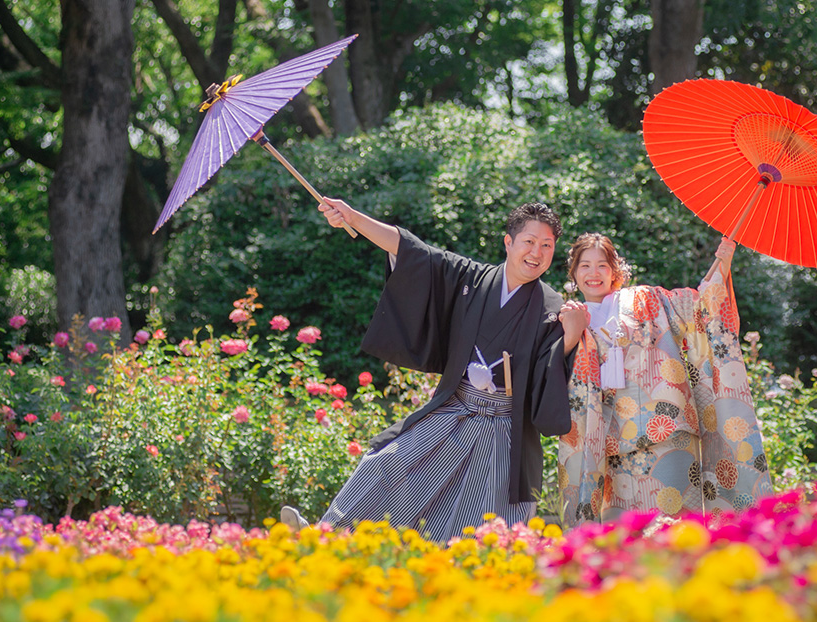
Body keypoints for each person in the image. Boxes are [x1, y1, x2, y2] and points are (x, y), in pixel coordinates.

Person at [280, 201, 587, 541]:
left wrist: (570, 336)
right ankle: (328, 535)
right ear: (508, 242)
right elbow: (413, 251)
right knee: (386, 462)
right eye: (529, 242)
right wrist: (353, 217)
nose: (537, 253)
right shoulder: (471, 279)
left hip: (505, 429)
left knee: (481, 516)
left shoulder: (553, 307)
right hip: (455, 408)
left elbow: (549, 384)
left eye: (547, 245)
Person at [557, 233, 773, 525]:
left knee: (677, 527)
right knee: (627, 533)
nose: (593, 274)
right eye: (585, 266)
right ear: (574, 273)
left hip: (668, 430)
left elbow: (697, 306)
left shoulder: (645, 298)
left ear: (615, 271)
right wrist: (572, 332)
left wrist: (722, 261)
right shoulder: (571, 318)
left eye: (602, 266)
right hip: (611, 445)